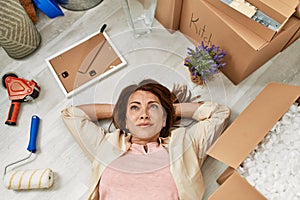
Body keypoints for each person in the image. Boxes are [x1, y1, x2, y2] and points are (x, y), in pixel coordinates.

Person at [61, 79, 231, 200]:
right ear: (125, 121)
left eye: (153, 107)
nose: (144, 114)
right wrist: (121, 111)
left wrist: (169, 110)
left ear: (164, 120)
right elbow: (71, 115)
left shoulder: (184, 146)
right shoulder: (107, 146)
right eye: (135, 108)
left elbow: (219, 114)